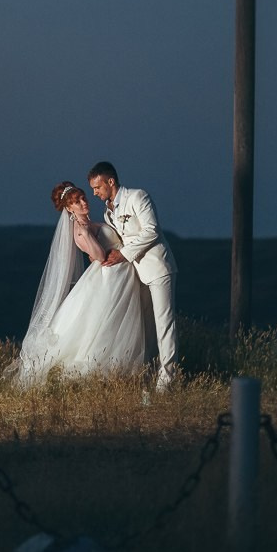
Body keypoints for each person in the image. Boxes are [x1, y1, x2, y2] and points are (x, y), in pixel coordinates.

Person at [9, 181, 147, 388]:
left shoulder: (89, 224)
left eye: (83, 198)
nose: (84, 203)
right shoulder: (80, 230)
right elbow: (100, 256)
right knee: (108, 324)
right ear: (68, 208)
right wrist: (90, 239)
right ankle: (107, 373)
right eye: (77, 202)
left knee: (114, 322)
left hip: (120, 273)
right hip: (110, 275)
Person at [87, 161, 179, 391]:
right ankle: (147, 374)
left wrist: (123, 255)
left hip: (157, 268)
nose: (95, 192)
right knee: (145, 326)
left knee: (164, 324)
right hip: (135, 273)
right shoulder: (108, 212)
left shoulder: (138, 197)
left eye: (97, 187)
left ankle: (167, 381)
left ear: (111, 181)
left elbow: (152, 231)